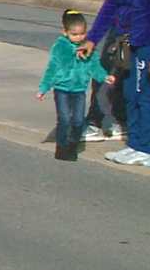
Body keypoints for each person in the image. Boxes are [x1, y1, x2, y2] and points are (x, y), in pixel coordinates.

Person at [78, 0, 148, 143]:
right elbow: (109, 9)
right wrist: (92, 39)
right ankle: (95, 123)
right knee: (104, 77)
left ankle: (129, 127)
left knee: (135, 85)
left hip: (142, 38)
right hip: (118, 36)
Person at [91, 0, 150, 166]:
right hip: (127, 45)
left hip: (145, 45)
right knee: (129, 94)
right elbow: (108, 9)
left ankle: (148, 148)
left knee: (142, 97)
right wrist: (91, 40)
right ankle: (134, 145)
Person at [37, 10, 116, 161]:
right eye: (74, 34)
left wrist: (104, 76)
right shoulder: (60, 47)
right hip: (62, 89)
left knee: (79, 121)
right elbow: (51, 69)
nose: (79, 37)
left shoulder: (87, 48)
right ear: (65, 32)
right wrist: (43, 88)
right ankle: (61, 147)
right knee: (64, 119)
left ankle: (72, 146)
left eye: (82, 34)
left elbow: (95, 67)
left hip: (79, 91)